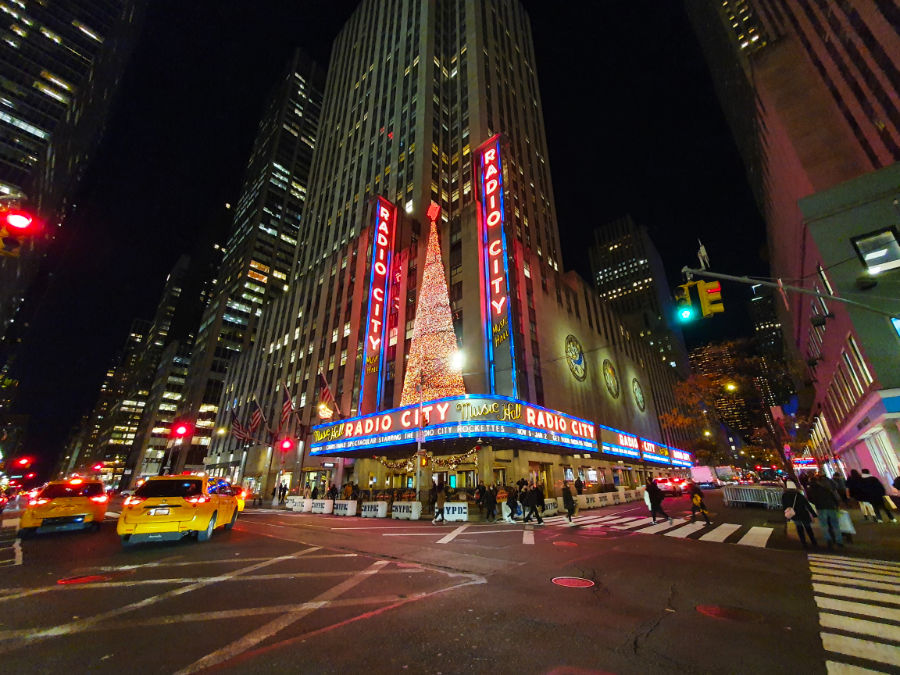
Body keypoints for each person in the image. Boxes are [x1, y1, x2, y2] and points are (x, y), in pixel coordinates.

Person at [808, 473, 844, 549]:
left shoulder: (815, 488)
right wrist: (836, 505)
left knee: (824, 525)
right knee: (835, 525)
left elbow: (811, 498)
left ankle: (829, 540)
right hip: (831, 506)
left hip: (821, 507)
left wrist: (816, 504)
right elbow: (834, 496)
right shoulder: (829, 487)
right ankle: (839, 541)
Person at [782, 480, 818, 549]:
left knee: (799, 528)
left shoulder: (785, 496)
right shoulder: (799, 495)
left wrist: (787, 514)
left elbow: (784, 506)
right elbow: (807, 505)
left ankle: (803, 542)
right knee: (808, 528)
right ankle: (813, 541)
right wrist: (814, 514)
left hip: (794, 514)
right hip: (803, 513)